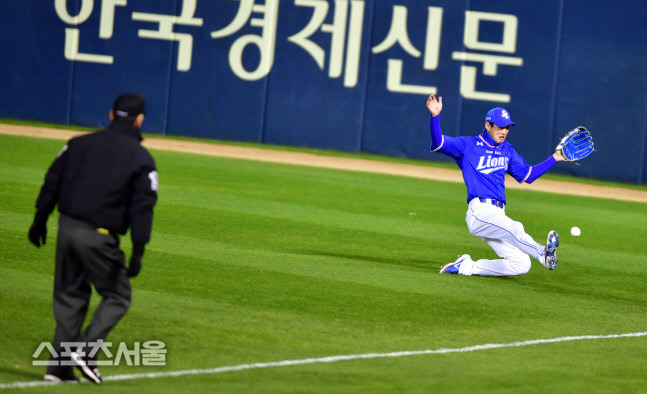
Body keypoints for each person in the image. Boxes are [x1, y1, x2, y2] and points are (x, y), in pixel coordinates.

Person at [28, 92, 158, 384]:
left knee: (69, 298)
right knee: (118, 295)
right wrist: (139, 249)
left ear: (111, 115)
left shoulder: (79, 143)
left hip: (66, 228)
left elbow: (52, 180)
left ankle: (59, 371)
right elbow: (142, 208)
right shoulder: (141, 158)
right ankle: (86, 351)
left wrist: (40, 219)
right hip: (98, 237)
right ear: (140, 121)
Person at [425, 94, 564, 277]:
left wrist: (555, 157)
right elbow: (439, 143)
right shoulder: (468, 145)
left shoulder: (507, 149)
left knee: (521, 264)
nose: (504, 131)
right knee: (515, 229)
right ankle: (542, 252)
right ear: (487, 125)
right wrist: (435, 116)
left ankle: (466, 267)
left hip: (498, 214)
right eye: (500, 127)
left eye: (507, 127)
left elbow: (527, 175)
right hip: (480, 212)